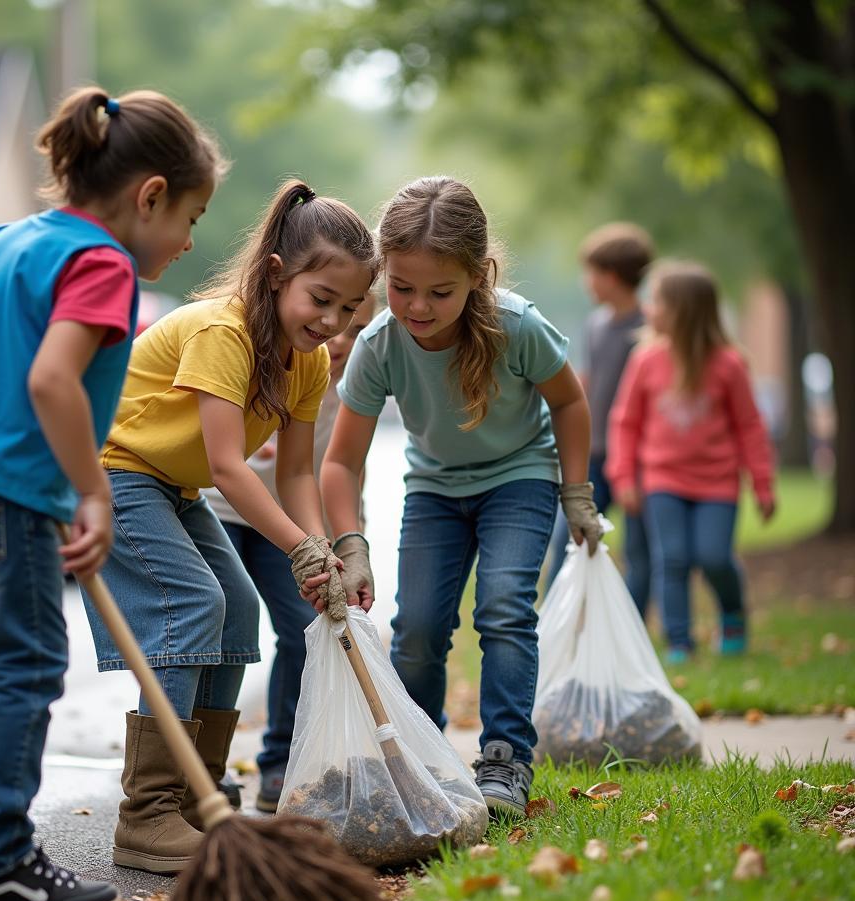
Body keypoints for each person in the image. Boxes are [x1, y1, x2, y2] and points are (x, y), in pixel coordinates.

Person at [0, 87, 224, 901]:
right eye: (191, 215)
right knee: (26, 663)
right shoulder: (99, 262)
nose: (186, 241)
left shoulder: (5, 240)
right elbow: (51, 378)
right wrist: (92, 491)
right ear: (149, 196)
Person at [81, 180, 377, 874]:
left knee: (238, 607)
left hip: (171, 483)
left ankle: (197, 794)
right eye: (320, 299)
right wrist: (300, 548)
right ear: (277, 275)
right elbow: (229, 466)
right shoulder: (225, 330)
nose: (332, 321)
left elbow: (297, 473)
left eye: (348, 308)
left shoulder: (306, 362)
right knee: (191, 603)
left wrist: (328, 553)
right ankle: (147, 812)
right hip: (115, 469)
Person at [321, 177, 602, 817]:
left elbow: (569, 400)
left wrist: (576, 492)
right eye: (401, 287)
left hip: (519, 478)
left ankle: (505, 759)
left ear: (477, 275)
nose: (418, 306)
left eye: (439, 292)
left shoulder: (515, 325)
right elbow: (340, 462)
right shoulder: (380, 345)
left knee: (504, 606)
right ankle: (420, 757)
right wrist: (352, 545)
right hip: (435, 491)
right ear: (381, 273)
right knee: (417, 627)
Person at [201, 292, 377, 813]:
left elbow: (347, 473)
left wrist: (352, 547)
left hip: (295, 527)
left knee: (305, 626)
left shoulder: (353, 388)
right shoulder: (264, 354)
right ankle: (200, 765)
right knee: (219, 620)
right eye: (336, 317)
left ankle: (279, 759)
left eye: (356, 326)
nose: (341, 337)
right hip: (224, 509)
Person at [606, 260, 776, 663]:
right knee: (673, 558)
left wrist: (763, 483)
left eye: (657, 301)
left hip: (717, 482)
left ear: (683, 310)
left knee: (714, 556)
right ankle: (680, 642)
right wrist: (624, 474)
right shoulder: (646, 359)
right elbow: (625, 422)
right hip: (662, 478)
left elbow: (750, 426)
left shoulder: (729, 364)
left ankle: (732, 614)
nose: (648, 308)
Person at [546, 223, 654, 614]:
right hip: (594, 453)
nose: (586, 282)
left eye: (591, 272)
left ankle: (635, 625)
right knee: (567, 538)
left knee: (639, 548)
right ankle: (556, 619)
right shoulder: (595, 325)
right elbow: (586, 386)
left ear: (610, 277)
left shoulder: (649, 329)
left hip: (639, 459)